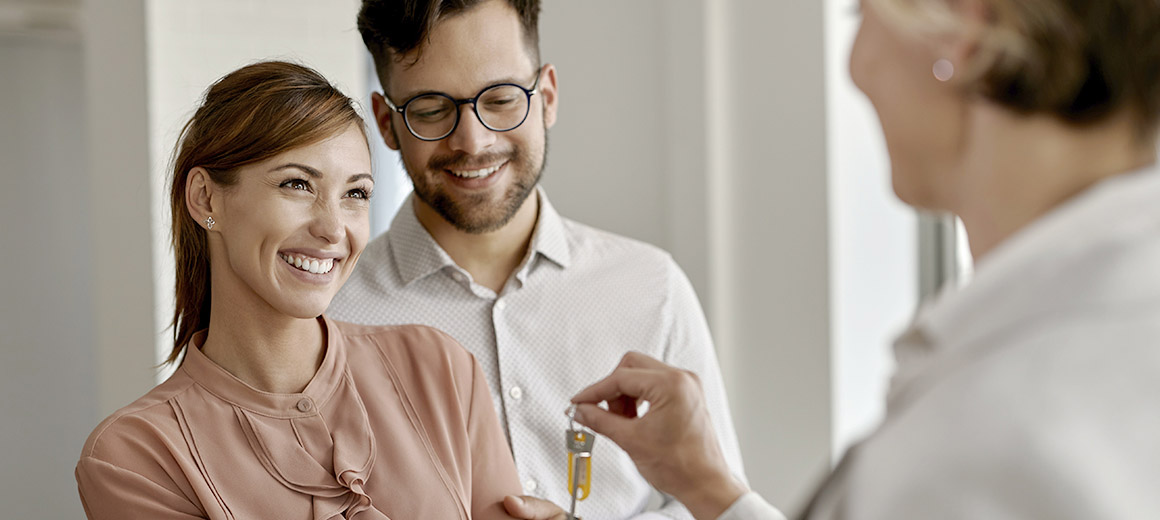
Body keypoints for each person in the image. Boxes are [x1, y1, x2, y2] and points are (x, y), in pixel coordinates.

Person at [506, 0, 1160, 518]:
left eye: (859, 12)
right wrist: (711, 490)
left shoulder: (999, 434)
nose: (854, 64)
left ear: (960, 31)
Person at [327, 1, 747, 518]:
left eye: (501, 99)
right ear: (387, 124)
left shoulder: (651, 288)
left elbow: (717, 506)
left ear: (546, 96)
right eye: (432, 109)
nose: (473, 142)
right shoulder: (329, 316)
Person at [75, 61, 522, 520]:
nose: (333, 229)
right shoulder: (136, 458)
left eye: (356, 194)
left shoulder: (440, 368)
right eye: (297, 184)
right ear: (205, 198)